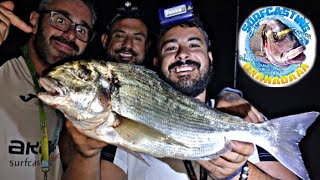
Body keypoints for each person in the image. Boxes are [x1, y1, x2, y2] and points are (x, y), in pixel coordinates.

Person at [60, 3, 297, 180]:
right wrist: (86, 154)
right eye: (171, 47)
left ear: (210, 58)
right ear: (156, 61)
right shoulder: (128, 125)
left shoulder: (243, 117)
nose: (183, 54)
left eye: (194, 45)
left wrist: (240, 173)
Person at [0, 0, 97, 179]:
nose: (70, 35)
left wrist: (88, 152)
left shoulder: (83, 95)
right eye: (60, 20)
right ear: (35, 21)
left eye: (81, 30)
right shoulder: (3, 66)